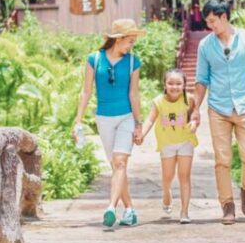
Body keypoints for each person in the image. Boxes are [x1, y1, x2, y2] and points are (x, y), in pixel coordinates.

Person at [191, 0, 245, 225]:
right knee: (222, 160)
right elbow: (201, 80)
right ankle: (227, 205)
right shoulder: (205, 46)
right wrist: (195, 110)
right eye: (207, 22)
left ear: (223, 17)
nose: (210, 26)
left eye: (212, 21)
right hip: (218, 108)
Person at [74, 19, 145, 227]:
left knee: (121, 162)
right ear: (118, 39)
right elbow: (86, 91)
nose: (132, 45)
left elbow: (134, 94)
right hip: (103, 118)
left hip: (126, 117)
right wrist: (78, 120)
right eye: (129, 41)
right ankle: (130, 209)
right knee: (116, 166)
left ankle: (111, 208)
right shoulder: (94, 59)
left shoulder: (133, 62)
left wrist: (138, 124)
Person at [141, 69, 199, 224]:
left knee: (184, 176)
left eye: (179, 83)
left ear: (184, 85)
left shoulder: (190, 99)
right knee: (168, 177)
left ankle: (184, 212)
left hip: (185, 141)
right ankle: (166, 194)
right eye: (171, 83)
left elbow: (195, 116)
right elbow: (150, 120)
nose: (175, 87)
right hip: (167, 143)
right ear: (165, 84)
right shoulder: (158, 101)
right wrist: (141, 134)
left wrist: (194, 123)